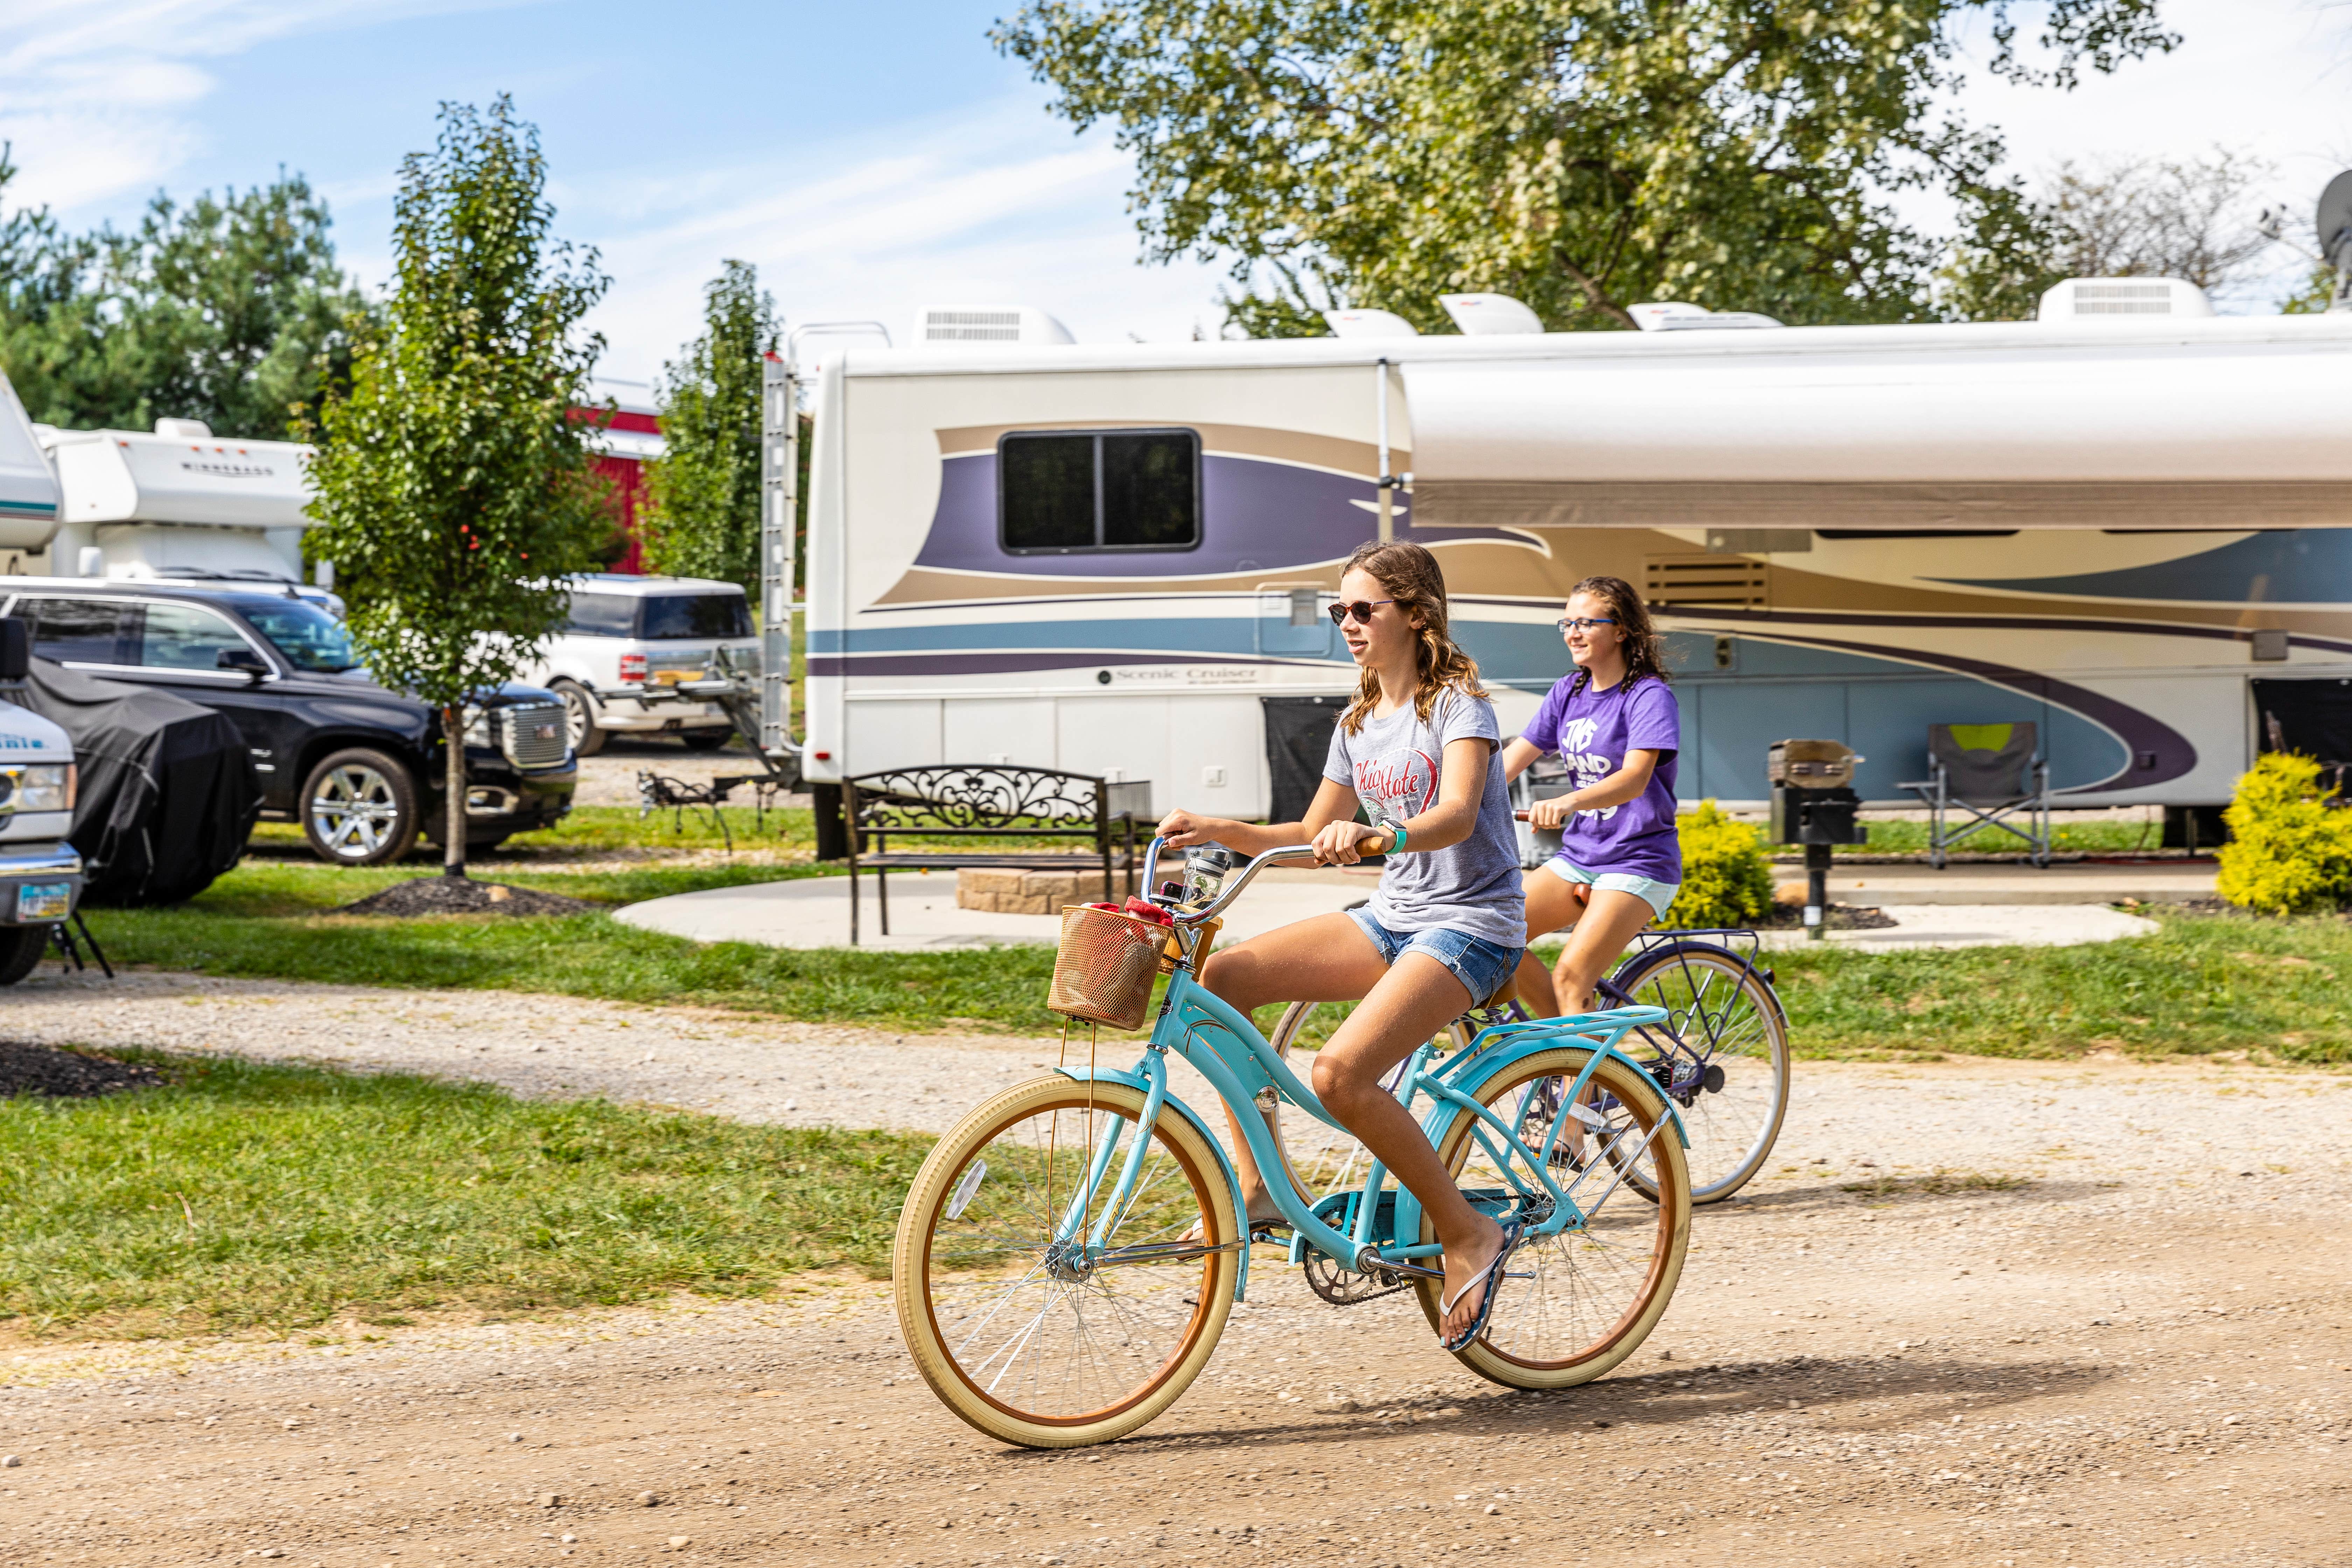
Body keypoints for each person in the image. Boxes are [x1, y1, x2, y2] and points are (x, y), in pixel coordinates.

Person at [1155, 539, 1527, 1350]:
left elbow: (1459, 813)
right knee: (1221, 982)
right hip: (1394, 916)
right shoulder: (1360, 722)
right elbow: (1307, 830)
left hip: (1471, 924)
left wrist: (1380, 835)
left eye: (1364, 610)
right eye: (1340, 611)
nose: (1347, 624)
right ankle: (1255, 1188)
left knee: (1338, 1075)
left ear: (1416, 615)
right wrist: (1220, 827)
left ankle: (1466, 1230)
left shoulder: (1459, 708)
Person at [1498, 575, 1682, 1018]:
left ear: (1621, 629)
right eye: (1567, 623)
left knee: (1571, 976)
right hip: (1582, 854)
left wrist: (1568, 802)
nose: (1572, 633)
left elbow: (1635, 778)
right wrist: (1450, 801)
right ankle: (1562, 1044)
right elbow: (1510, 761)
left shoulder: (1648, 696)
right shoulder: (1569, 691)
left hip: (1638, 859)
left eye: (1586, 622)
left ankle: (1579, 1083)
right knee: (1494, 932)